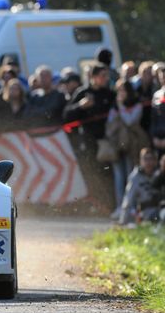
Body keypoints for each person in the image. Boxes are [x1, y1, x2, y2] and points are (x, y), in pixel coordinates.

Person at [63, 63, 116, 208]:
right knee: (93, 175)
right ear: (93, 77)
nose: (105, 79)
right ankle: (97, 206)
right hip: (88, 142)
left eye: (107, 76)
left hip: (106, 141)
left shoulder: (110, 94)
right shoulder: (82, 92)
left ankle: (111, 205)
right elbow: (67, 115)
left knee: (108, 175)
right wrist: (80, 106)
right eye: (102, 76)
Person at [106, 79, 149, 219]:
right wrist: (118, 108)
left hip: (132, 145)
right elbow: (110, 124)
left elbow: (130, 120)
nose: (120, 93)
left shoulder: (136, 105)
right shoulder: (114, 106)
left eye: (123, 90)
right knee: (119, 177)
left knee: (131, 176)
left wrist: (121, 107)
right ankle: (120, 207)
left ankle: (132, 208)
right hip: (118, 145)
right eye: (118, 90)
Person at [119, 148, 161, 225]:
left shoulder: (160, 175)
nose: (148, 162)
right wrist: (123, 222)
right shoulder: (135, 177)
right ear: (141, 161)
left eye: (151, 159)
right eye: (145, 159)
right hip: (145, 215)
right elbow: (128, 201)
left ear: (155, 161)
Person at [135, 61, 156, 133]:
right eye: (146, 73)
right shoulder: (136, 89)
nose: (149, 76)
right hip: (138, 122)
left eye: (151, 73)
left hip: (151, 121)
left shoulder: (154, 89)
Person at [150, 63, 165, 159]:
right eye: (162, 77)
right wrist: (154, 138)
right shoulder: (157, 95)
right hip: (159, 139)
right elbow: (153, 118)